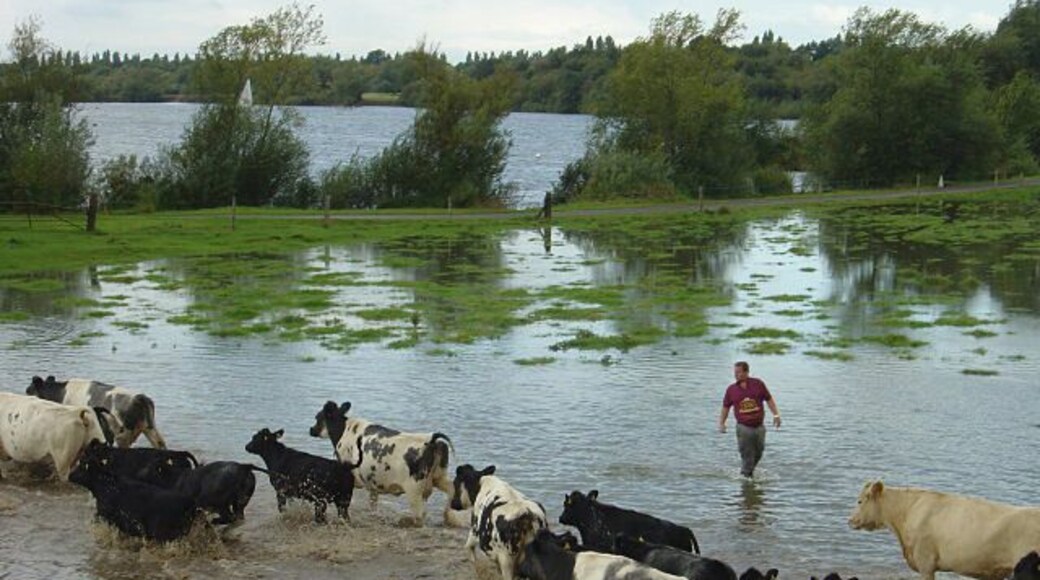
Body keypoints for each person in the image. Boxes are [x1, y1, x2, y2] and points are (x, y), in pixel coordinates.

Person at [718, 361, 781, 478]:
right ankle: (746, 479)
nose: (736, 375)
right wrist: (722, 423)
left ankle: (747, 474)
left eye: (739, 372)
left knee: (759, 452)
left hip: (759, 426)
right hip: (743, 427)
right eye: (735, 373)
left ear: (746, 372)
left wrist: (776, 415)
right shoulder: (731, 389)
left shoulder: (758, 384)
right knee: (747, 455)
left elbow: (769, 399)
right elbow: (726, 407)